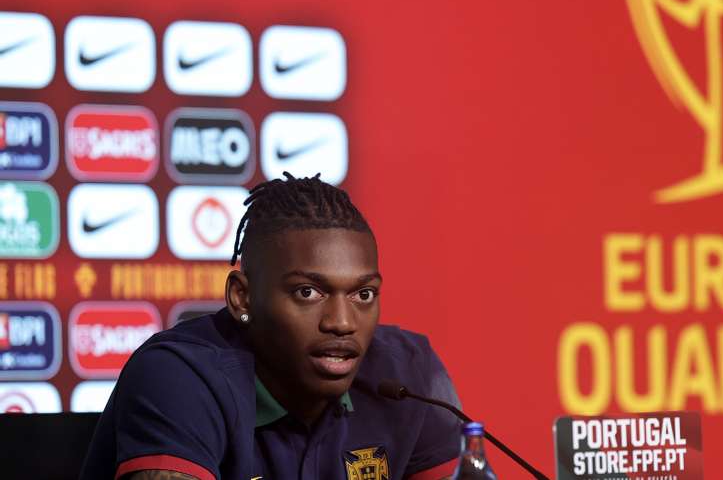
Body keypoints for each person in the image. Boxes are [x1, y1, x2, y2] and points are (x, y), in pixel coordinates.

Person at [80, 173, 462, 480]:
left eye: (363, 295)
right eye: (308, 292)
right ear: (242, 298)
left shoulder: (409, 376)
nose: (342, 323)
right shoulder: (177, 376)